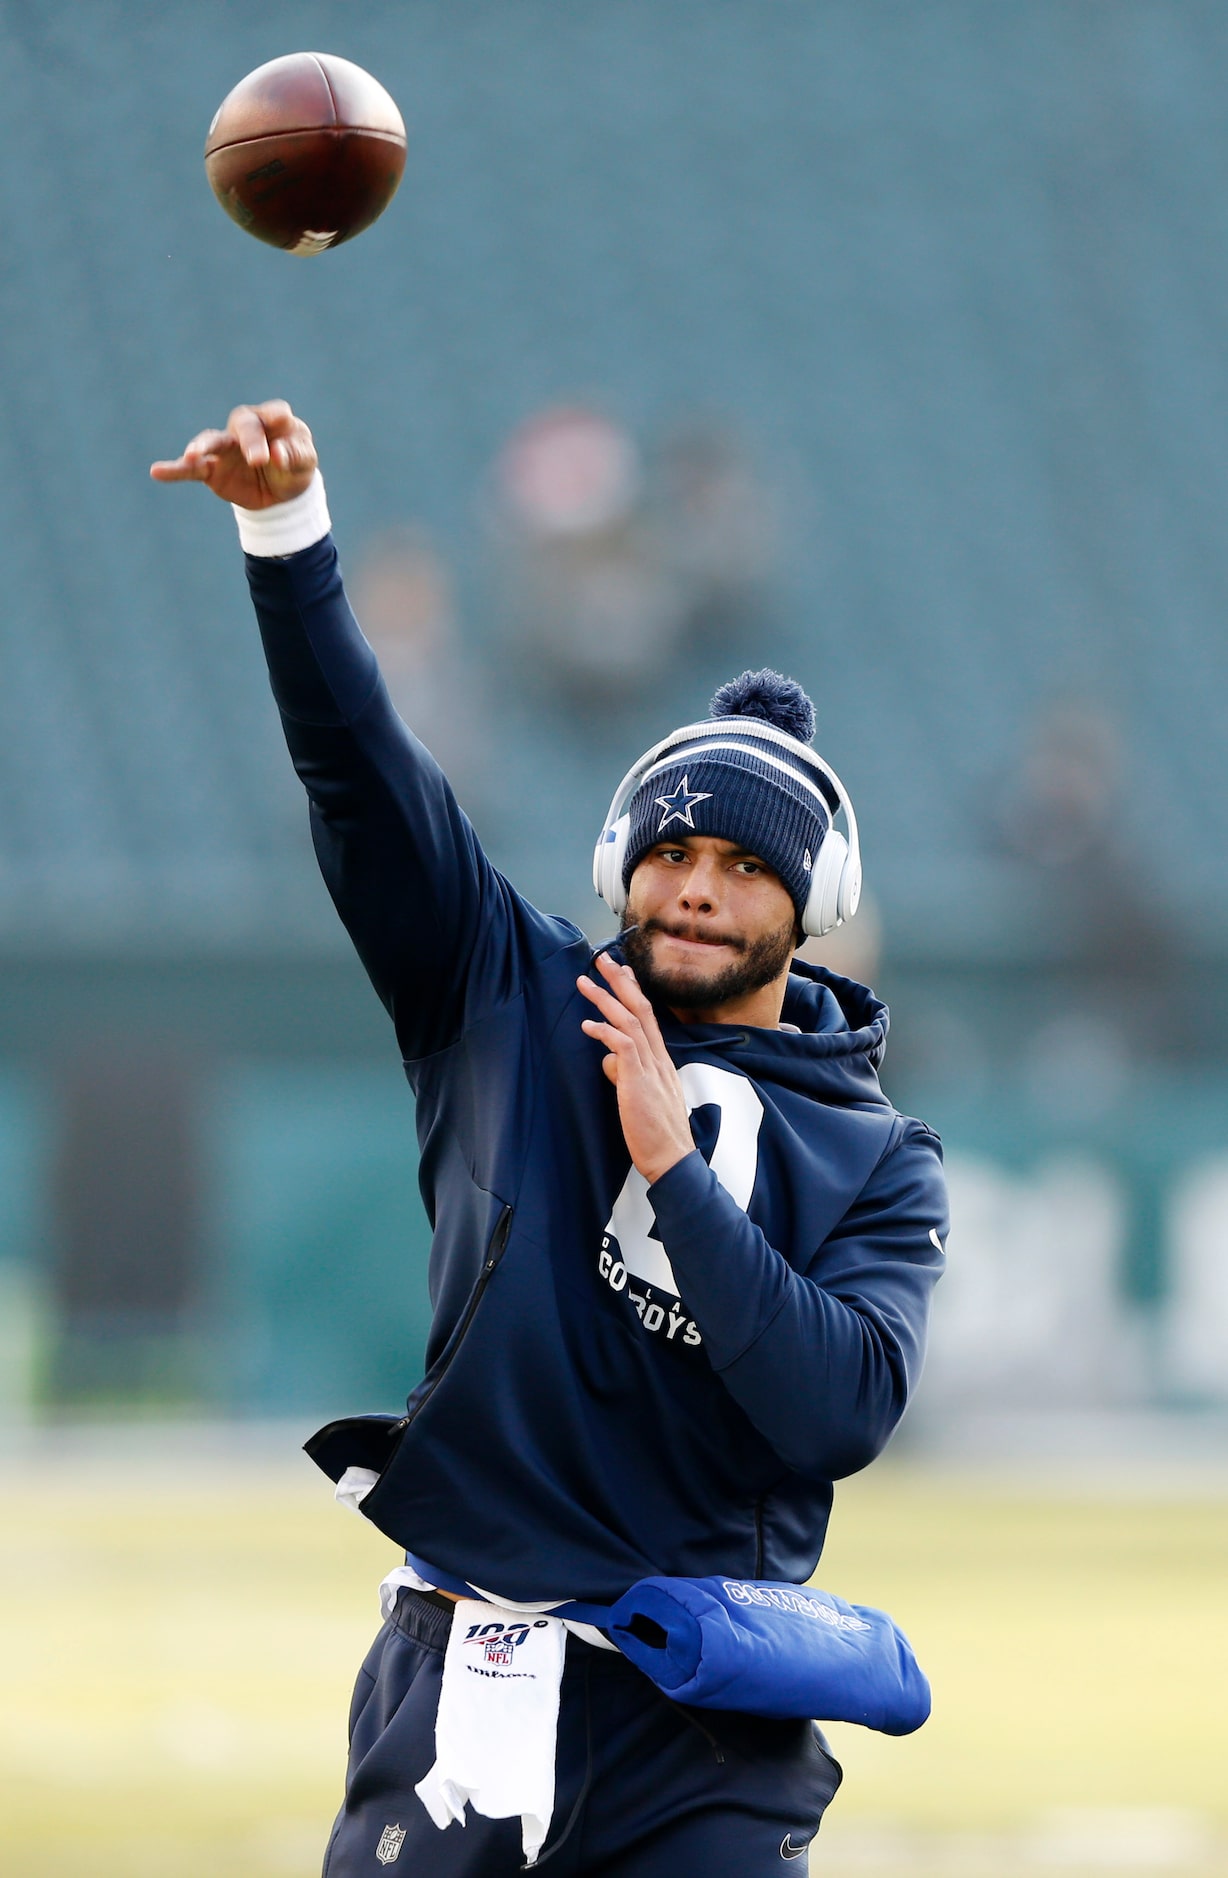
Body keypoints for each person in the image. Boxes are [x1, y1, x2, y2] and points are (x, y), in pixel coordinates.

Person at [151, 402, 947, 1878]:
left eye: (741, 862)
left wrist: (680, 1176)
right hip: (467, 1667)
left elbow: (840, 1411)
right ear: (619, 864)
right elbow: (367, 786)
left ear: (812, 895)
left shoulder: (883, 1156)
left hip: (708, 1723)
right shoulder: (509, 995)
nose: (697, 887)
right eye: (670, 851)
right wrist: (287, 537)